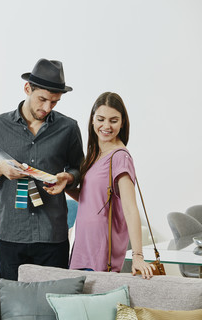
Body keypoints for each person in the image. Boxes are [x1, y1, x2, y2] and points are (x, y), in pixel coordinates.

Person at [0, 58, 84, 280]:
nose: (47, 108)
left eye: (54, 102)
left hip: (52, 234)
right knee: (13, 303)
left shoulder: (68, 128)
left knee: (54, 303)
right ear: (27, 88)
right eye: (42, 99)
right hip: (12, 233)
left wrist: (68, 178)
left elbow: (79, 168)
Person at [47, 92, 155, 279]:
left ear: (122, 123)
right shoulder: (95, 155)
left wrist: (138, 256)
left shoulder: (120, 157)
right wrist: (67, 186)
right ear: (92, 120)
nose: (106, 126)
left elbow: (130, 209)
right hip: (82, 248)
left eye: (113, 120)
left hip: (100, 252)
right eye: (101, 119)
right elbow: (91, 199)